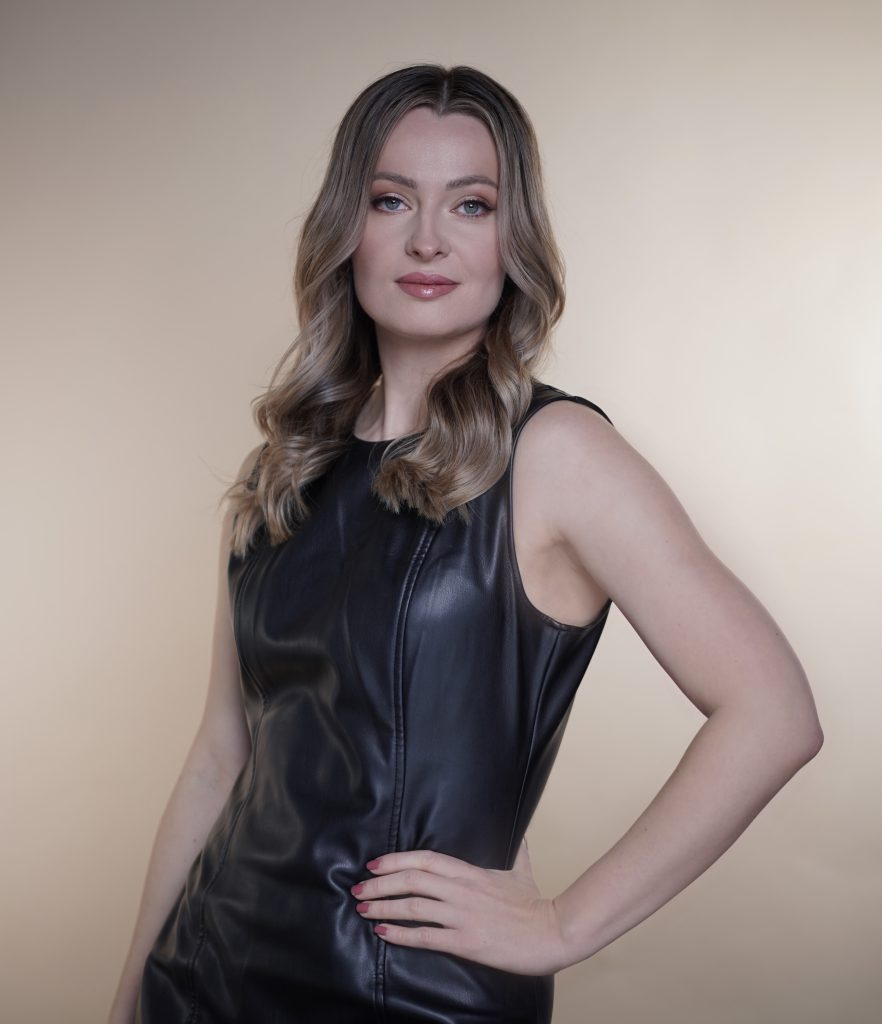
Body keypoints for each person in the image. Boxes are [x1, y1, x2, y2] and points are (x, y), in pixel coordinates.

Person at [109, 64, 824, 1024]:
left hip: (415, 997)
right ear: (345, 230)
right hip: (204, 977)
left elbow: (773, 710)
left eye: (473, 204)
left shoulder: (558, 452)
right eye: (391, 198)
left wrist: (563, 924)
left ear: (511, 240)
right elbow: (217, 760)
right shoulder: (287, 463)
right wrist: (131, 995)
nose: (428, 238)